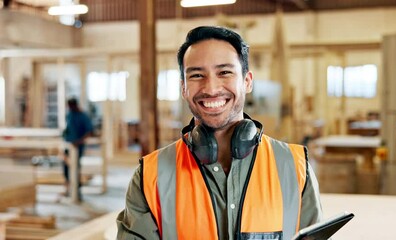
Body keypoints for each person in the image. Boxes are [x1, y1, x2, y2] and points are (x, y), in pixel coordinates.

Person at [116, 26, 324, 239]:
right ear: (183, 88)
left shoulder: (295, 167)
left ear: (247, 81)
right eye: (197, 75)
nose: (211, 88)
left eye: (224, 72)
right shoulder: (150, 176)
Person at [62, 98, 93, 201]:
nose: (70, 108)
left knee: (75, 168)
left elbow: (89, 132)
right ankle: (68, 188)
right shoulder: (70, 114)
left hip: (77, 147)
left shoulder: (83, 116)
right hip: (68, 146)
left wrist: (79, 141)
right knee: (66, 167)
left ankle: (77, 191)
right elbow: (67, 129)